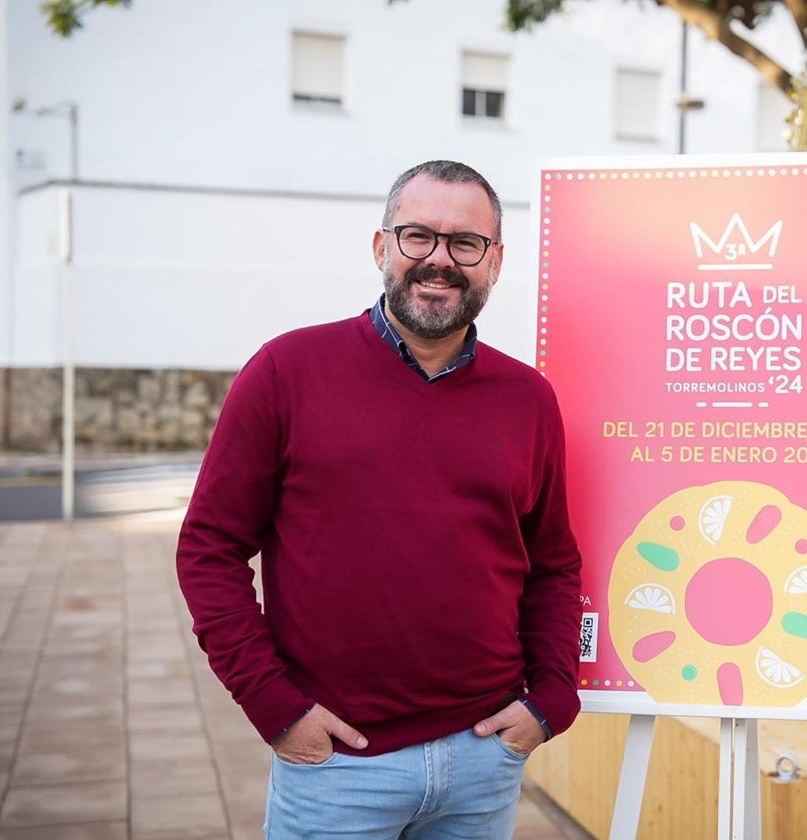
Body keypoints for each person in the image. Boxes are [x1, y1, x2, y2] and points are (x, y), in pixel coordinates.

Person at [176, 159, 583, 839]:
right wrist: (274, 705)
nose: (439, 261)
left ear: (496, 261)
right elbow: (208, 549)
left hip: (484, 759)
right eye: (417, 236)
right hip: (338, 765)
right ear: (381, 247)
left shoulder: (529, 400)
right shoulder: (285, 372)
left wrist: (551, 699)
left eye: (465, 243)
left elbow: (552, 565)